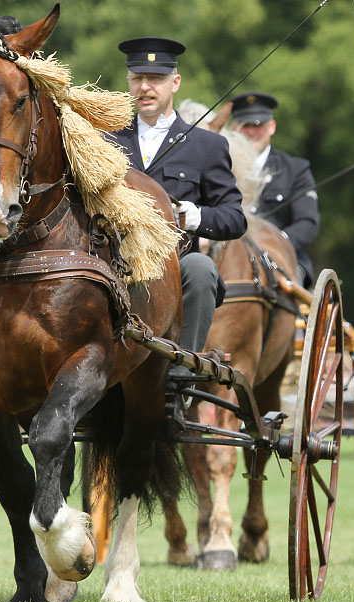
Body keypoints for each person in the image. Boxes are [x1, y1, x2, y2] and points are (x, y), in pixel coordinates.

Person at [107, 37, 247, 382]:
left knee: (201, 267)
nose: (145, 87)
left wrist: (195, 215)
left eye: (155, 79)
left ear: (175, 83)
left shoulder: (207, 146)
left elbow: (235, 216)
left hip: (173, 262)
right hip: (111, 260)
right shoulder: (105, 140)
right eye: (137, 78)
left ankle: (182, 368)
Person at [230, 91, 319, 287]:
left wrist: (276, 244)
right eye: (246, 126)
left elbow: (307, 223)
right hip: (231, 259)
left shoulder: (296, 170)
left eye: (258, 125)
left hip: (283, 258)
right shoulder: (221, 169)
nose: (252, 132)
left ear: (271, 127)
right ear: (234, 129)